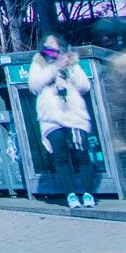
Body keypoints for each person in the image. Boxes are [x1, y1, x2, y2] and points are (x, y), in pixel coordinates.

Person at [29, 35, 97, 207]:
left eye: (56, 44)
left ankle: (88, 193)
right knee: (61, 156)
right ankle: (71, 195)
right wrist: (53, 69)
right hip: (51, 118)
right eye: (48, 44)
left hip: (74, 116)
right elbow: (34, 86)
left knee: (81, 154)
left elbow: (85, 86)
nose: (53, 47)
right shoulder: (39, 63)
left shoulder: (73, 63)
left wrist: (70, 69)